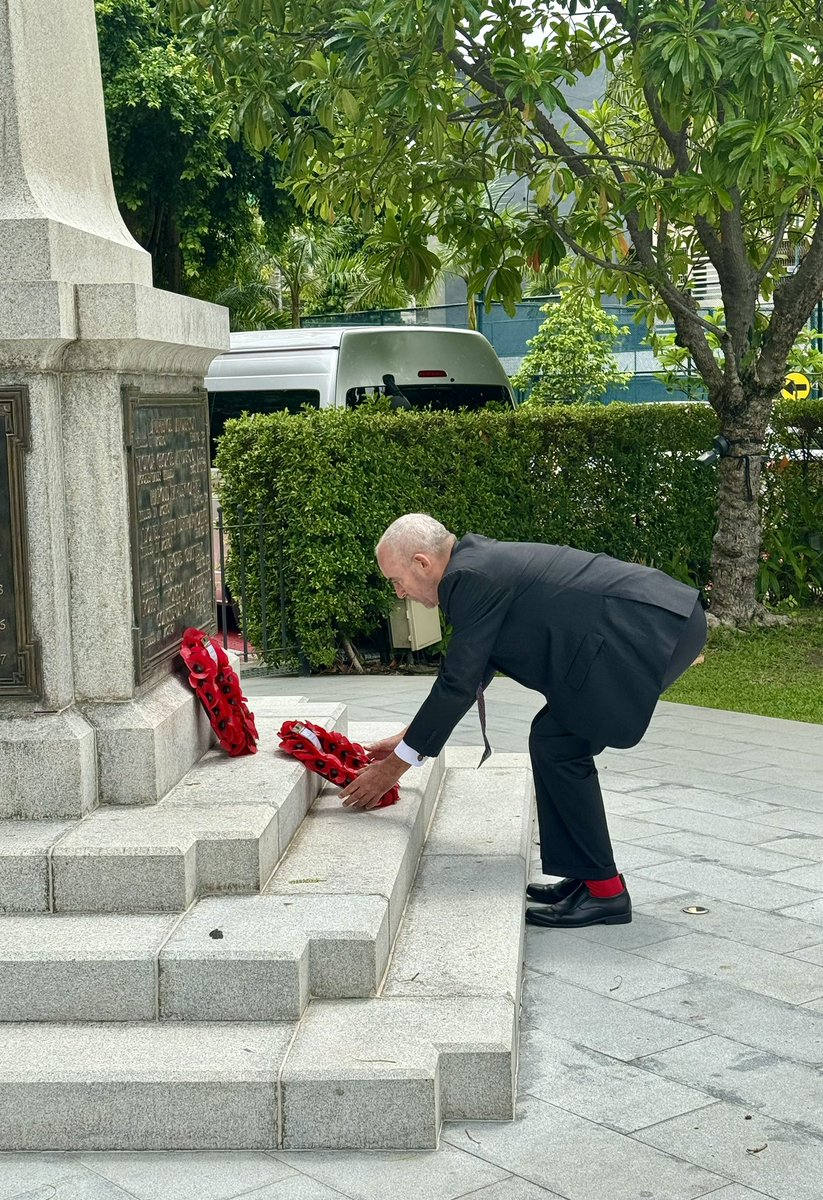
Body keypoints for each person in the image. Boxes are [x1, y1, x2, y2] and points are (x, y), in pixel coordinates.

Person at [339, 513, 707, 929]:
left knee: (560, 745)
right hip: (653, 618)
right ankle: (592, 879)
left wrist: (393, 768)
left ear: (422, 563)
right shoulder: (471, 565)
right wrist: (410, 736)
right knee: (554, 741)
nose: (399, 591)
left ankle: (606, 892)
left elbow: (456, 684)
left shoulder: (468, 578)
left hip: (652, 627)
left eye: (396, 579)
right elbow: (476, 664)